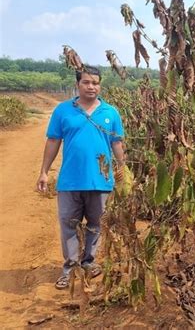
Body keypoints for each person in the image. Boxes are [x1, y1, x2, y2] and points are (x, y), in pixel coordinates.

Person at [36, 65, 125, 290]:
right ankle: (70, 268)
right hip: (70, 181)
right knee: (69, 225)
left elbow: (117, 143)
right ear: (78, 84)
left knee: (96, 224)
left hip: (101, 181)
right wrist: (44, 172)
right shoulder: (63, 111)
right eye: (86, 82)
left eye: (95, 82)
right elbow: (53, 141)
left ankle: (89, 263)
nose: (91, 86)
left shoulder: (110, 112)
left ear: (100, 85)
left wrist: (123, 169)